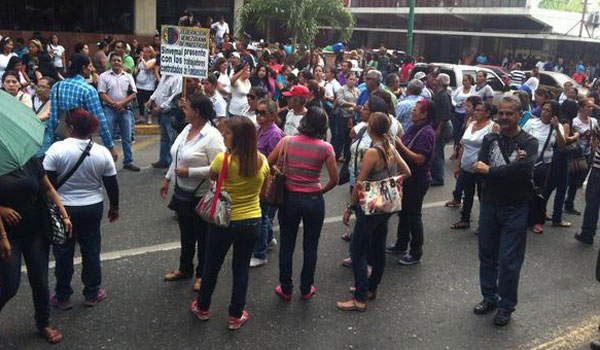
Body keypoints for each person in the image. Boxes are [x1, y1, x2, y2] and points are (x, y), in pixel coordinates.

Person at [190, 116, 270, 330]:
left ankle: (203, 307)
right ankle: (236, 315)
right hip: (252, 220)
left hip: (222, 221)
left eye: (227, 133)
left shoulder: (223, 160)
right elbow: (264, 192)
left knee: (211, 266)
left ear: (239, 137)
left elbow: (213, 178)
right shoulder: (262, 160)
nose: (224, 136)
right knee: (241, 268)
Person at [42, 108, 118, 310]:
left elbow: (47, 184)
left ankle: (62, 295)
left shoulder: (56, 149)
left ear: (71, 127)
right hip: (92, 207)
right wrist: (115, 207)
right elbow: (111, 183)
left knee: (64, 252)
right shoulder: (102, 152)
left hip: (64, 209)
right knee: (91, 249)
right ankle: (92, 293)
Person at [472, 95, 538, 326]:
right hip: (489, 204)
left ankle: (506, 306)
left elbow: (522, 172)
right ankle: (489, 297)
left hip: (515, 208)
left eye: (509, 113)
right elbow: (479, 166)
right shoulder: (490, 138)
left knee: (509, 261)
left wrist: (490, 171)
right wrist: (497, 170)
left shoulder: (529, 142)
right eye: (501, 113)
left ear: (520, 115)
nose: (504, 117)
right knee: (487, 256)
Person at [337, 112, 411, 311]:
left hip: (370, 205)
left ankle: (360, 298)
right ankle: (371, 288)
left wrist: (349, 208)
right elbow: (407, 172)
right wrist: (389, 184)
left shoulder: (372, 152)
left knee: (358, 250)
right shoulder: (390, 147)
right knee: (378, 247)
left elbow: (360, 183)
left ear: (371, 129)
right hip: (386, 205)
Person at [0, 156, 72, 343]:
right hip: (8, 236)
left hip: (36, 232)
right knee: (10, 285)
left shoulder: (30, 160)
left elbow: (47, 188)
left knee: (40, 282)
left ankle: (44, 324)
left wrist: (64, 214)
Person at [270, 107, 338, 302]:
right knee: (311, 246)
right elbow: (333, 179)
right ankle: (306, 288)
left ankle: (286, 288)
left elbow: (268, 163)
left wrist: (282, 173)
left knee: (287, 245)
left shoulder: (287, 141)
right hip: (314, 200)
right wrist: (319, 190)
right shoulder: (326, 148)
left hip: (289, 198)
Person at [160, 93, 225, 291]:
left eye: (186, 108)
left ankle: (202, 274)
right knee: (186, 234)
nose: (183, 110)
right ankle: (185, 268)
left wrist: (190, 172)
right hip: (182, 193)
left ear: (197, 112)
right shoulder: (187, 128)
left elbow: (220, 168)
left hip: (201, 195)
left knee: (203, 238)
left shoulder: (212, 137)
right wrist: (168, 178)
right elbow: (177, 156)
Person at [386, 99, 436, 265]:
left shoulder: (427, 133)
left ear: (425, 115)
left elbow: (419, 159)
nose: (412, 112)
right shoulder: (414, 127)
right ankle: (401, 243)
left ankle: (416, 252)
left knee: (413, 215)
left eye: (416, 110)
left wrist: (400, 147)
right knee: (403, 212)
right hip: (407, 178)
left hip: (418, 180)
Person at [43, 53, 118, 162]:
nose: (91, 69)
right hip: (82, 144)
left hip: (62, 142)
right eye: (89, 66)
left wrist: (53, 144)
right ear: (83, 68)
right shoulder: (88, 90)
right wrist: (110, 146)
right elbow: (100, 120)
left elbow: (53, 119)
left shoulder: (56, 87)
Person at [450, 102, 499, 230]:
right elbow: (462, 146)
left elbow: (496, 150)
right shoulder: (470, 124)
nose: (476, 112)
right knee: (467, 194)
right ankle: (465, 219)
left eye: (479, 110)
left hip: (482, 168)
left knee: (483, 196)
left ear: (487, 113)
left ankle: (485, 223)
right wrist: (457, 165)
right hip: (466, 166)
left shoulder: (493, 127)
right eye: (475, 110)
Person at [522, 100, 566, 234]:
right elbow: (520, 137)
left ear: (554, 114)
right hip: (527, 163)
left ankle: (535, 221)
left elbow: (562, 146)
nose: (544, 113)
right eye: (544, 109)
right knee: (523, 192)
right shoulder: (531, 122)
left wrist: (557, 127)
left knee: (538, 194)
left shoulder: (557, 127)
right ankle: (522, 218)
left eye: (548, 111)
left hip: (544, 165)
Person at [250, 99, 285, 267]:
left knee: (261, 217)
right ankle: (269, 239)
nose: (258, 116)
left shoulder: (275, 134)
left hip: (266, 181)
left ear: (272, 115)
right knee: (263, 216)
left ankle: (260, 253)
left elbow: (276, 163)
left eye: (263, 113)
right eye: (257, 112)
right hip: (254, 179)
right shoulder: (257, 130)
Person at [98, 53, 140, 172]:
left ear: (122, 63)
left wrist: (121, 104)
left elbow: (133, 93)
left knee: (127, 137)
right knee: (108, 136)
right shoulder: (103, 76)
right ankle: (106, 163)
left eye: (119, 60)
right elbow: (102, 93)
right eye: (114, 60)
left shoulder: (128, 76)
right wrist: (114, 104)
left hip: (125, 110)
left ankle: (128, 161)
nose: (117, 62)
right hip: (109, 109)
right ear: (110, 62)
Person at [542, 100, 579, 228]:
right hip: (561, 157)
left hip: (554, 156)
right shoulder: (565, 122)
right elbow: (565, 140)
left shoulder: (558, 120)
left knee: (549, 186)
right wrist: (576, 137)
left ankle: (541, 212)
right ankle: (557, 218)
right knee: (562, 188)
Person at [446, 95, 483, 208]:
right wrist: (457, 149)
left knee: (467, 182)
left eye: (469, 106)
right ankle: (457, 197)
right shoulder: (468, 119)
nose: (466, 108)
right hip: (463, 153)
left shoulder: (478, 123)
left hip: (472, 158)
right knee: (460, 178)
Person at [146, 64, 183, 168]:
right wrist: (151, 99)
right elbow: (159, 89)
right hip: (162, 112)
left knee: (173, 139)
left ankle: (173, 164)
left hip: (170, 111)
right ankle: (163, 160)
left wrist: (160, 107)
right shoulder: (165, 75)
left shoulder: (178, 78)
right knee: (164, 137)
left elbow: (174, 97)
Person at [566, 98, 597, 216]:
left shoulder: (593, 121)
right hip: (575, 154)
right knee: (572, 180)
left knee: (579, 179)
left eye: (592, 106)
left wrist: (594, 151)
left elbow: (594, 137)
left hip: (587, 154)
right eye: (588, 106)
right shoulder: (574, 121)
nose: (591, 108)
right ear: (582, 108)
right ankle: (569, 203)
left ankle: (569, 201)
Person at [430, 73, 453, 186]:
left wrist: (438, 129)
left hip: (442, 127)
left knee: (438, 153)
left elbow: (444, 115)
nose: (434, 80)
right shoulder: (439, 94)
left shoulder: (442, 96)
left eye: (437, 79)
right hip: (439, 125)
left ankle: (438, 178)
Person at [335, 73, 359, 161]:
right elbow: (340, 102)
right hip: (343, 116)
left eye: (354, 79)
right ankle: (337, 155)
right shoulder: (342, 89)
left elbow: (359, 102)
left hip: (352, 116)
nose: (352, 81)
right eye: (350, 79)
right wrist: (353, 104)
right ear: (346, 80)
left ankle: (346, 155)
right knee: (341, 136)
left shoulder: (357, 90)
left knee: (350, 137)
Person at [135, 45, 157, 125]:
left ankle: (149, 117)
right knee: (140, 101)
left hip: (148, 85)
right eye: (143, 51)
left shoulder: (153, 60)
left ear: (150, 53)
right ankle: (141, 117)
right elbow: (137, 68)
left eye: (146, 52)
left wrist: (142, 59)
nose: (143, 53)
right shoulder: (140, 60)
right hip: (139, 84)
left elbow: (147, 67)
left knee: (148, 102)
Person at [452, 74, 476, 146]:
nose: (464, 82)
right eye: (463, 80)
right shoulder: (459, 89)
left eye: (465, 80)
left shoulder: (473, 89)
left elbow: (474, 100)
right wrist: (456, 104)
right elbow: (453, 98)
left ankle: (462, 147)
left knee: (465, 131)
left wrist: (466, 103)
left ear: (470, 81)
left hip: (467, 114)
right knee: (456, 132)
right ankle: (455, 147)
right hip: (457, 113)